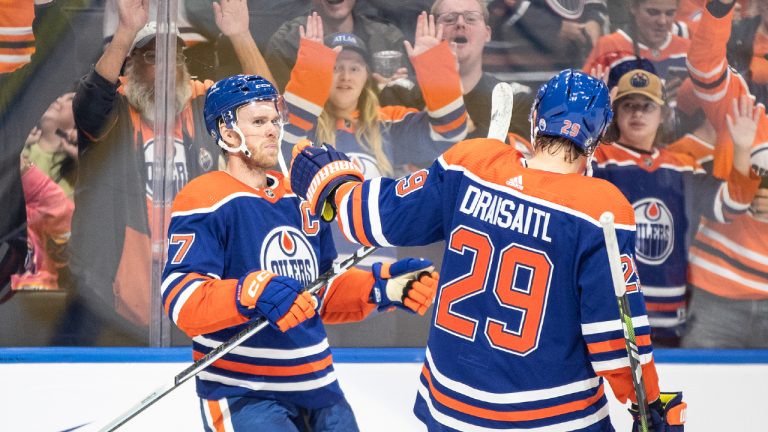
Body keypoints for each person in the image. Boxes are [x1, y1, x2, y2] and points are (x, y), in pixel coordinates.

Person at [289, 69, 686, 432]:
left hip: (451, 404)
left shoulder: (471, 163)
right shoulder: (602, 209)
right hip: (551, 415)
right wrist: (646, 403)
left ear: (535, 122)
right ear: (597, 140)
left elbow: (380, 218)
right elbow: (615, 338)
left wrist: (335, 186)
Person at [162, 73, 439, 431]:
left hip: (319, 387)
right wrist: (249, 292)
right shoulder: (205, 198)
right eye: (259, 122)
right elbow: (182, 300)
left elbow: (320, 291)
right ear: (228, 133)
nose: (272, 130)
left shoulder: (299, 197)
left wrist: (382, 288)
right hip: (245, 391)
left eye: (275, 120)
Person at [66, 0, 271, 342]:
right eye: (153, 56)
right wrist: (127, 29)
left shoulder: (200, 103)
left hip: (191, 288)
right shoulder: (115, 107)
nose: (168, 66)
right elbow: (90, 105)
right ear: (129, 63)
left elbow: (263, 109)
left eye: (175, 56)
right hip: (106, 301)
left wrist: (240, 34)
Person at [592, 69, 760, 346]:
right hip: (613, 310)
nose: (638, 114)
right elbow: (567, 181)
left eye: (647, 106)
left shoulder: (682, 164)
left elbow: (730, 205)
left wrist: (742, 149)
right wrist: (593, 124)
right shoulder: (601, 157)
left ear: (662, 114)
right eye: (628, 106)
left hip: (671, 315)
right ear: (616, 113)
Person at [681, 0, 768, 348]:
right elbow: (704, 65)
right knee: (696, 397)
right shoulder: (742, 105)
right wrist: (718, 8)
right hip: (716, 293)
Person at [380, 0, 534, 150]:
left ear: (487, 33)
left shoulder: (514, 97)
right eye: (449, 19)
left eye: (471, 18)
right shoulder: (400, 92)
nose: (460, 23)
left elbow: (519, 161)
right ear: (433, 30)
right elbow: (391, 156)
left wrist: (457, 126)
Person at [265, 0, 409, 91]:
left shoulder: (388, 39)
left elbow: (412, 101)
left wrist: (395, 90)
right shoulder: (286, 42)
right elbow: (277, 109)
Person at [583, 0, 689, 106]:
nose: (662, 21)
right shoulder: (609, 47)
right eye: (653, 12)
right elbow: (583, 105)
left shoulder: (688, 50)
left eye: (670, 13)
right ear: (633, 7)